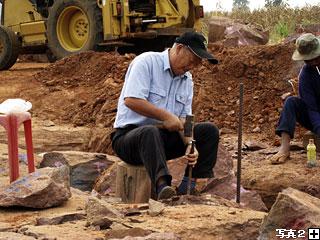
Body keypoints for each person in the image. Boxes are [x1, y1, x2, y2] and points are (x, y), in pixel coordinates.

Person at [111, 30, 220, 199]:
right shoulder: (146, 62)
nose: (192, 68)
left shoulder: (187, 80)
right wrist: (166, 117)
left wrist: (190, 143)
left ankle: (187, 186)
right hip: (129, 140)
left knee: (208, 131)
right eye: (192, 61)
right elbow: (131, 100)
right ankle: (164, 189)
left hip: (160, 142)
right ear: (179, 49)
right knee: (149, 132)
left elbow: (185, 119)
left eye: (197, 64)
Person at [270, 33, 320, 164]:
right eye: (307, 60)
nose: (311, 62)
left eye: (314, 58)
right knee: (290, 102)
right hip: (317, 117)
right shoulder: (306, 75)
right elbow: (312, 108)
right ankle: (284, 148)